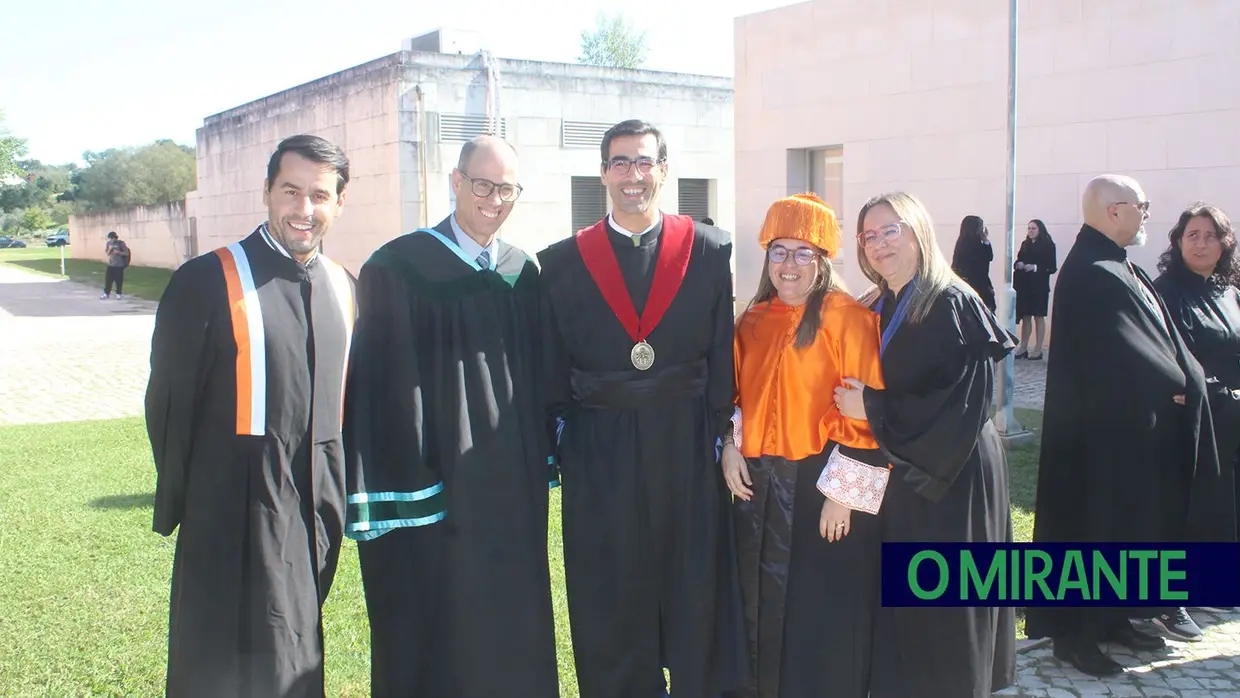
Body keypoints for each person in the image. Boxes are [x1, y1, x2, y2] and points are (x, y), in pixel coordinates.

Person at [342, 135, 559, 698]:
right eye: (482, 184)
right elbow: (377, 388)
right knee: (442, 617)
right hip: (438, 485)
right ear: (456, 182)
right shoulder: (399, 267)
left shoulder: (523, 272)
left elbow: (539, 378)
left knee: (510, 615)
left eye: (506, 188)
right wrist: (404, 483)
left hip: (512, 486)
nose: (494, 198)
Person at [538, 118, 746, 698]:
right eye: (621, 162)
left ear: (663, 170)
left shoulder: (708, 248)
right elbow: (552, 369)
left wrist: (724, 434)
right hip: (599, 446)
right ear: (603, 172)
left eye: (645, 162)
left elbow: (719, 350)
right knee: (611, 584)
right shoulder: (560, 262)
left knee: (693, 580)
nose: (634, 174)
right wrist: (566, 446)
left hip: (685, 440)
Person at [144, 134, 357, 697]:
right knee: (219, 659)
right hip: (231, 507)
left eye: (319, 195)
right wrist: (189, 497)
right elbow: (168, 404)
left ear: (339, 202)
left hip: (315, 508)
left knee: (295, 651)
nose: (303, 210)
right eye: (290, 191)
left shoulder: (345, 287)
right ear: (266, 191)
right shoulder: (208, 280)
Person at [1025, 175, 1234, 676]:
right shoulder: (1091, 271)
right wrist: (1177, 382)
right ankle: (1075, 635)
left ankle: (1114, 618)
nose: (1146, 213)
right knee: (1091, 531)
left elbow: (1154, 335)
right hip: (1096, 438)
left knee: (1122, 527)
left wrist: (1186, 378)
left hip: (1128, 432)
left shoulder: (1116, 264)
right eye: (1141, 206)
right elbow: (1124, 348)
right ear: (1114, 211)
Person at [833, 192, 1017, 697]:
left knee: (944, 606)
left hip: (951, 470)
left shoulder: (949, 300)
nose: (879, 243)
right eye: (869, 235)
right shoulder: (886, 301)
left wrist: (870, 407)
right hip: (909, 466)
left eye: (891, 230)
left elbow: (965, 398)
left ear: (919, 232)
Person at [722, 193, 889, 698]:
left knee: (818, 612)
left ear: (822, 260)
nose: (788, 265)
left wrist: (844, 494)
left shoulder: (849, 319)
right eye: (779, 251)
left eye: (802, 253)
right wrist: (730, 446)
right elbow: (734, 399)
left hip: (822, 485)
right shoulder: (752, 320)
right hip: (757, 486)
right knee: (754, 600)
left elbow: (869, 411)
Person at [1153, 202, 1240, 617]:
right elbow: (1174, 359)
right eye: (1193, 235)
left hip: (1234, 413)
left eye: (1210, 236)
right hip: (1196, 413)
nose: (1202, 243)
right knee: (1202, 498)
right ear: (1179, 241)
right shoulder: (1166, 291)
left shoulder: (1231, 292)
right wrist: (1224, 397)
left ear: (1225, 243)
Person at [1013, 219, 1057, 360]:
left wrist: (1035, 267)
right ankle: (1023, 346)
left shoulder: (1048, 245)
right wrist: (1019, 264)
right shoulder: (1025, 245)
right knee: (1026, 316)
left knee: (1038, 316)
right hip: (1025, 286)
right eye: (1029, 228)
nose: (1030, 231)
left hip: (1040, 286)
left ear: (1040, 230)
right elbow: (1018, 259)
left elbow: (1052, 267)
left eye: (1033, 228)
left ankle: (1038, 348)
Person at [950, 214, 996, 311]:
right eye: (981, 227)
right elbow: (988, 257)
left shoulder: (962, 243)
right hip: (976, 285)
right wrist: (985, 240)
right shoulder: (973, 244)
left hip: (968, 285)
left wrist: (985, 240)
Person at [100, 231, 131, 299]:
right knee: (108, 280)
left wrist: (118, 252)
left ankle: (118, 293)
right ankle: (106, 293)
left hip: (119, 265)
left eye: (112, 238)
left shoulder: (121, 243)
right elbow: (107, 254)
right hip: (111, 264)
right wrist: (110, 249)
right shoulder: (108, 243)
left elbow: (126, 253)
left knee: (119, 280)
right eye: (110, 238)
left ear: (115, 238)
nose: (111, 240)